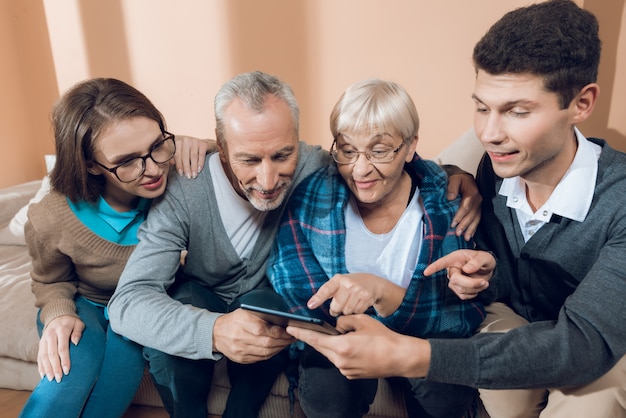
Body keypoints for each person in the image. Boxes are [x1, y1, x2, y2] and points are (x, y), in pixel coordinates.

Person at [285, 2, 626, 417]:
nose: (489, 133)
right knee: (507, 399)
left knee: (590, 405)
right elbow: (424, 173)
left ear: (582, 103)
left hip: (599, 341)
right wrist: (486, 275)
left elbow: (582, 346)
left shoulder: (617, 200)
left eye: (518, 111)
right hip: (524, 325)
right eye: (482, 108)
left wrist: (411, 355)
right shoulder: (496, 170)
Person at [107, 70, 483, 418]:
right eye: (249, 159)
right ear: (220, 146)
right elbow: (127, 303)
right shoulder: (184, 191)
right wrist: (214, 330)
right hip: (206, 303)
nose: (268, 179)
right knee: (185, 332)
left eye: (282, 155)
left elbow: (388, 160)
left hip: (273, 308)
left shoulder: (319, 166)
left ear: (298, 142)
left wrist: (456, 175)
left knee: (273, 310)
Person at [267, 78, 485, 418]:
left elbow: (454, 315)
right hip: (340, 331)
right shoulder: (311, 197)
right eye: (348, 150)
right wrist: (343, 329)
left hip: (421, 337)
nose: (360, 169)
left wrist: (384, 297)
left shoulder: (446, 201)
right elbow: (293, 283)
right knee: (327, 394)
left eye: (379, 150)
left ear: (411, 146)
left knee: (447, 394)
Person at [19, 77, 208, 418]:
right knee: (65, 380)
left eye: (157, 145)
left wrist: (202, 145)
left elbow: (246, 156)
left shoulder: (174, 176)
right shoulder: (51, 216)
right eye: (127, 161)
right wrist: (59, 314)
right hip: (85, 302)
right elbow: (49, 281)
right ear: (90, 164)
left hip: (142, 307)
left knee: (111, 391)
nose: (152, 170)